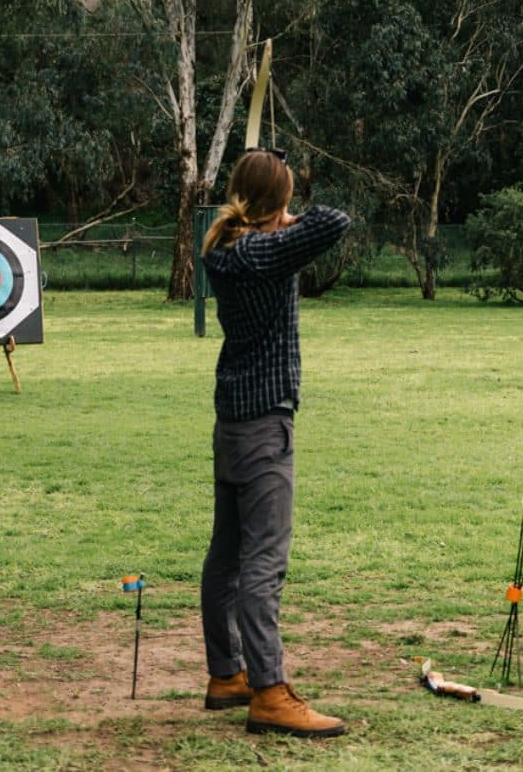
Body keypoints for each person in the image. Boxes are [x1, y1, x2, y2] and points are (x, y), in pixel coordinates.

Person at [197, 149, 352, 737]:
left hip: (232, 419)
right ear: (277, 200)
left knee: (228, 555)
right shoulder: (264, 249)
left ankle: (226, 674)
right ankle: (267, 691)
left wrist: (272, 209)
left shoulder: (223, 247)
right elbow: (335, 220)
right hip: (266, 424)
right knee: (264, 562)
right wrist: (286, 217)